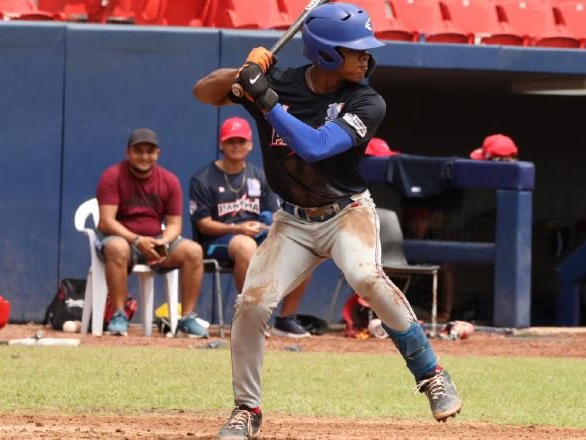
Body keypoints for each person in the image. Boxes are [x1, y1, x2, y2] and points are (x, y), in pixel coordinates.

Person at [193, 3, 462, 438]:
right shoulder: (279, 81)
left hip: (346, 212)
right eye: (355, 50)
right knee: (252, 304)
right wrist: (243, 73)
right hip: (293, 221)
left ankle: (432, 375)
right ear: (326, 54)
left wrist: (265, 101)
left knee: (367, 278)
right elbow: (204, 92)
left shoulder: (367, 100)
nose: (366, 57)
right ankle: (247, 410)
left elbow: (316, 146)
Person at [189, 116, 312, 338]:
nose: (236, 146)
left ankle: (285, 319)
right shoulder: (203, 178)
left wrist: (264, 226)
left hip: (256, 236)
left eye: (241, 141)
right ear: (221, 144)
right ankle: (249, 318)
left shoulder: (260, 176)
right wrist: (238, 229)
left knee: (305, 248)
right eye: (231, 141)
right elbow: (203, 224)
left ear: (250, 144)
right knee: (245, 245)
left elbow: (276, 215)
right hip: (216, 242)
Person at [95, 128, 208, 338]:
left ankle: (187, 318)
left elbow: (175, 224)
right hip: (122, 241)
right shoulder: (112, 176)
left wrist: (162, 242)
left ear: (158, 154)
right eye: (138, 151)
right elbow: (106, 221)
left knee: (193, 251)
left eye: (150, 151)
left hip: (155, 241)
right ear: (127, 152)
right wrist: (138, 241)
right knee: (117, 247)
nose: (144, 156)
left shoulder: (170, 180)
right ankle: (119, 315)